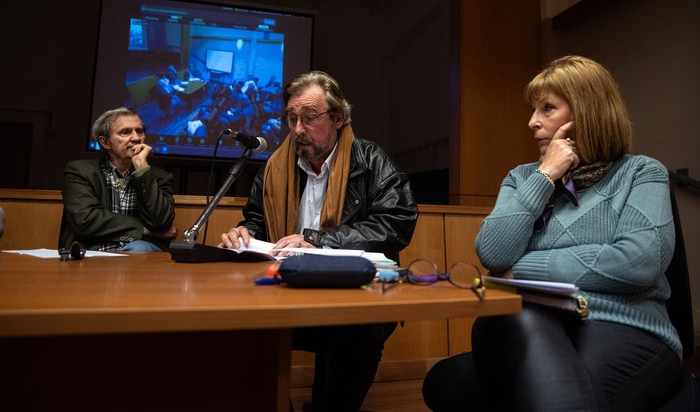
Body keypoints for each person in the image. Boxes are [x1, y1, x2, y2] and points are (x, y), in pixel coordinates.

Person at [422, 56, 682, 412]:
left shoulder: (640, 173)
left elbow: (638, 262)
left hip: (622, 322)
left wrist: (522, 270)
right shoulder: (521, 178)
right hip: (524, 319)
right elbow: (494, 254)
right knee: (525, 319)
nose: (532, 122)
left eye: (547, 108)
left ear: (587, 113)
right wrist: (544, 177)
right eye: (534, 110)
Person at [219, 70, 418, 411]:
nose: (297, 130)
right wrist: (244, 234)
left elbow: (396, 224)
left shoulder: (370, 160)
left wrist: (318, 239)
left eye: (309, 119)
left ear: (338, 118)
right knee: (233, 326)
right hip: (283, 287)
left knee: (362, 334)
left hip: (350, 290)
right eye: (292, 119)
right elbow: (256, 220)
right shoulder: (274, 167)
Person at [61, 107, 177, 252]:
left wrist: (142, 170)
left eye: (139, 131)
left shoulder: (160, 177)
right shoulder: (80, 171)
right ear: (105, 142)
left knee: (139, 247)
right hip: (93, 250)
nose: (136, 138)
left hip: (140, 254)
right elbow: (85, 220)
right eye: (126, 132)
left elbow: (162, 223)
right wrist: (146, 230)